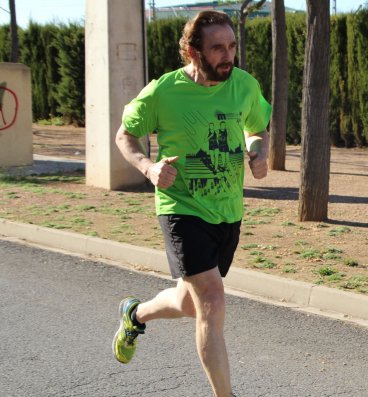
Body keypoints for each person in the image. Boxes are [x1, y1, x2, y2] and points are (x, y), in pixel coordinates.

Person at [112, 10, 270, 397]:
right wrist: (149, 169)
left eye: (232, 46)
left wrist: (258, 151)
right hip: (180, 207)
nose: (228, 55)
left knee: (189, 302)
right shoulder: (163, 91)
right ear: (193, 51)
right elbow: (124, 136)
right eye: (218, 48)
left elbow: (257, 128)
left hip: (227, 211)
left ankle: (135, 315)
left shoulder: (244, 85)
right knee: (212, 302)